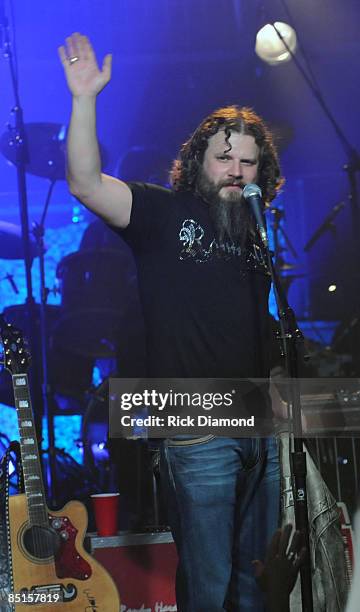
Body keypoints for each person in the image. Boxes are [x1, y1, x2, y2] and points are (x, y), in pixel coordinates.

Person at [59, 32, 285, 611]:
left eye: (247, 161)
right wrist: (85, 100)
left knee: (257, 583)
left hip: (260, 424)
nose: (236, 169)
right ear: (198, 163)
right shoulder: (162, 212)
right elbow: (86, 183)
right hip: (198, 429)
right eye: (224, 157)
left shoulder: (258, 232)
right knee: (210, 587)